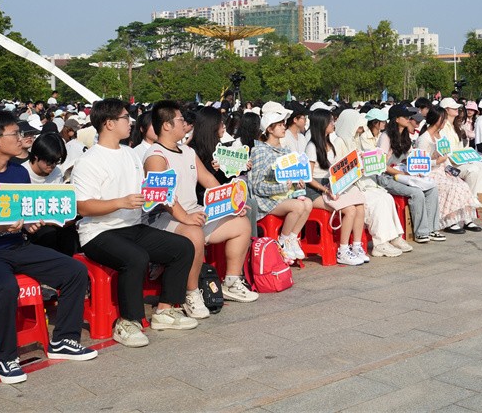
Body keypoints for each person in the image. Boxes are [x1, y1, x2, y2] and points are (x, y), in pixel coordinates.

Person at [0, 111, 96, 384]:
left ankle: (64, 340)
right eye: (15, 134)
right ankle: (6, 357)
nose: (22, 139)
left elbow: (22, 214)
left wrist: (29, 223)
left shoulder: (19, 172)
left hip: (17, 246)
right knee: (6, 286)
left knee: (75, 271)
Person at [73, 99, 197, 348]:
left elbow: (145, 190)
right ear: (109, 124)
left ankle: (165, 310)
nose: (129, 122)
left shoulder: (130, 154)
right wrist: (120, 202)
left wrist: (157, 194)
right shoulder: (89, 161)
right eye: (124, 118)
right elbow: (82, 206)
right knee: (136, 258)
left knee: (183, 247)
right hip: (99, 232)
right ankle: (128, 322)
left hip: (132, 225)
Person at [143, 100, 257, 316]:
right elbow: (163, 196)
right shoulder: (155, 156)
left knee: (241, 224)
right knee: (194, 233)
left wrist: (231, 204)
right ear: (166, 125)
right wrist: (185, 217)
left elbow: (208, 180)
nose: (185, 123)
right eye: (180, 119)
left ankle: (232, 281)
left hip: (192, 213)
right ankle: (191, 293)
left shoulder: (187, 151)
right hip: (163, 218)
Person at [334, 109, 411, 257]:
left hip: (363, 181)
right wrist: (357, 168)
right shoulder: (339, 143)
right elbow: (338, 169)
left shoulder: (354, 140)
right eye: (358, 125)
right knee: (376, 202)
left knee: (386, 197)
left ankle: (394, 236)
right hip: (349, 186)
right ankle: (380, 243)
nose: (361, 129)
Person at [304, 109, 369, 265]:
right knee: (350, 210)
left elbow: (338, 169)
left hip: (331, 185)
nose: (334, 124)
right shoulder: (312, 146)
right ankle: (343, 250)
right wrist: (326, 190)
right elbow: (308, 178)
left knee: (360, 206)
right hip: (315, 191)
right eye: (331, 121)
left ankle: (356, 246)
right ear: (322, 124)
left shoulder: (330, 143)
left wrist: (356, 165)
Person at [248, 109, 312, 261]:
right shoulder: (260, 151)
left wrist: (298, 183)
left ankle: (292, 238)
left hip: (285, 195)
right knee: (298, 206)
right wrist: (282, 187)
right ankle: (283, 240)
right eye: (280, 125)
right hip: (267, 200)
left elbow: (291, 176)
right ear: (270, 129)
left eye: (283, 124)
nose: (284, 127)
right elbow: (257, 186)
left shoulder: (286, 151)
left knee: (308, 203)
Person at [376, 105, 444, 244]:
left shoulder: (405, 135)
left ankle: (432, 228)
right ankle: (421, 232)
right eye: (405, 117)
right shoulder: (385, 137)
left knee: (432, 188)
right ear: (396, 119)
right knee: (416, 192)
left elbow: (410, 158)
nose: (408, 119)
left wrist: (418, 168)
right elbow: (381, 165)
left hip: (404, 174)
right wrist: (402, 172)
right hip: (387, 177)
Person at [416, 106, 478, 233]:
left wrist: (450, 170)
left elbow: (446, 157)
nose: (445, 122)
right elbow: (420, 163)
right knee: (452, 187)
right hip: (430, 173)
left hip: (443, 170)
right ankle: (450, 220)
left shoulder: (441, 136)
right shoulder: (424, 139)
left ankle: (466, 218)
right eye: (443, 119)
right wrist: (436, 161)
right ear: (436, 119)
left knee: (462, 185)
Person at [438, 97, 482, 210]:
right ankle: (467, 200)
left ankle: (474, 196)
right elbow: (443, 150)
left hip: (460, 160)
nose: (457, 109)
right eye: (454, 108)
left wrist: (468, 154)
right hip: (450, 164)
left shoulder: (457, 126)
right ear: (446, 110)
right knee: (473, 170)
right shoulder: (442, 127)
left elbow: (462, 147)